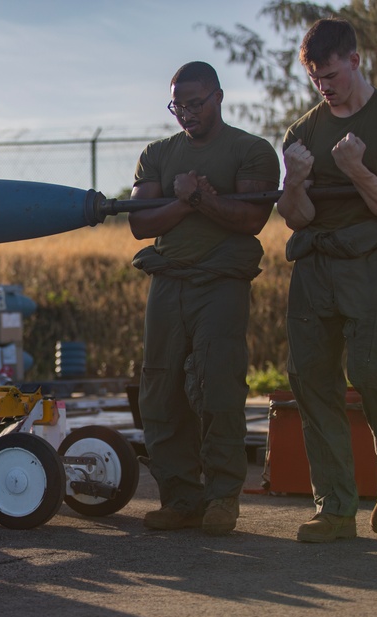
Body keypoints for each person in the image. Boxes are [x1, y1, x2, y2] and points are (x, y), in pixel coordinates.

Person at [277, 19, 377, 543]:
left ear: (356, 60)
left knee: (374, 371)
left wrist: (358, 171)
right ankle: (336, 509)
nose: (325, 85)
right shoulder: (302, 132)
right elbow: (296, 217)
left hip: (371, 262)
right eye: (316, 77)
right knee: (311, 380)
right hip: (316, 264)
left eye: (332, 73)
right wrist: (295, 180)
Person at [128, 62, 280, 536]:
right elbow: (140, 223)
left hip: (220, 282)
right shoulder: (157, 153)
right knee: (161, 390)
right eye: (177, 105)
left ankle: (221, 500)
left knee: (219, 389)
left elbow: (250, 219)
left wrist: (201, 202)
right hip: (167, 282)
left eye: (195, 103)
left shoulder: (250, 150)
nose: (186, 114)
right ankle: (180, 498)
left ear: (217, 96)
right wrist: (189, 200)